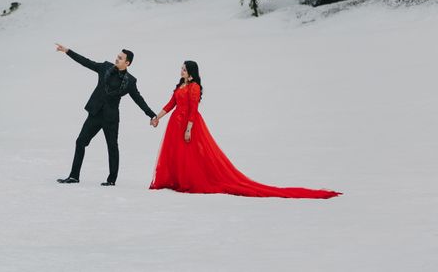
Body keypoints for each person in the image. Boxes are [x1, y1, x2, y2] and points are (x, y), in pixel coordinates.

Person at [149, 60, 340, 199]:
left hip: (188, 124)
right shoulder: (180, 86)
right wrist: (158, 117)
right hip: (175, 124)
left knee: (190, 154)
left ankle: (188, 181)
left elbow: (193, 110)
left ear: (191, 71)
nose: (181, 71)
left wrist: (189, 129)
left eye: (183, 69)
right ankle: (175, 180)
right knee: (177, 153)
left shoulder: (194, 87)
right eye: (181, 68)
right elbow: (171, 104)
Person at [55, 43, 157, 186]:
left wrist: (151, 115)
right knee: (80, 142)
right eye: (117, 56)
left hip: (111, 118)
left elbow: (138, 99)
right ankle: (74, 176)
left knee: (112, 147)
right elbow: (86, 62)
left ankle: (111, 180)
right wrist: (68, 51)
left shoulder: (130, 81)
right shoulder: (105, 67)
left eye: (120, 58)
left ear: (127, 63)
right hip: (95, 113)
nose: (117, 59)